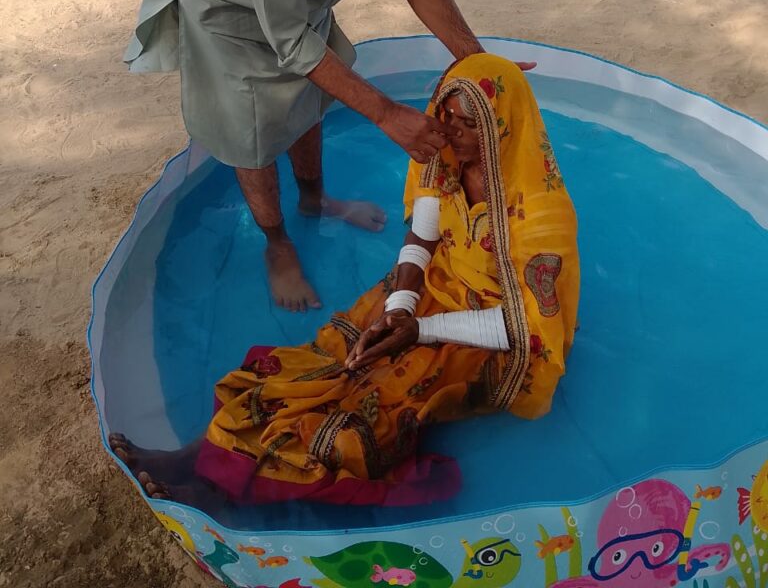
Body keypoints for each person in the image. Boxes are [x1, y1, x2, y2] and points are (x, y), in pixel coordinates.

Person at [110, 55, 580, 508]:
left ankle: (224, 493)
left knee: (371, 408)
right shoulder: (444, 157)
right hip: (429, 290)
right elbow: (423, 234)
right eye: (448, 117)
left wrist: (420, 330)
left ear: (503, 125)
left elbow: (526, 328)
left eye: (470, 123)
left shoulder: (541, 216)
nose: (452, 131)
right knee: (326, 363)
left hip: (493, 330)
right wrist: (400, 304)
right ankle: (197, 455)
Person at [125, 0, 530, 313]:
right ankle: (277, 242)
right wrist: (386, 113)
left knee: (309, 94)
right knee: (251, 127)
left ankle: (315, 200)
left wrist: (477, 63)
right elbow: (290, 39)